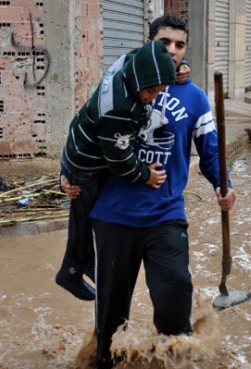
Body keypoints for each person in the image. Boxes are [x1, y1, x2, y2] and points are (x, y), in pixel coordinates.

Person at [87, 16, 237, 368]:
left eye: (179, 45)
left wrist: (222, 184)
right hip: (113, 216)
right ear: (150, 43)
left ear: (186, 50)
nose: (171, 50)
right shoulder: (119, 82)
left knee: (174, 302)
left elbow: (210, 150)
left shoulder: (195, 98)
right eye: (164, 43)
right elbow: (88, 132)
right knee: (109, 319)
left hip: (165, 216)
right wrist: (70, 175)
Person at [55, 40, 176, 301]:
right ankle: (71, 271)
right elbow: (120, 161)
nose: (153, 97)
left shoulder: (129, 62)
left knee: (91, 218)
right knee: (86, 219)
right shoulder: (118, 109)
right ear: (140, 79)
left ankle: (86, 263)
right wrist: (146, 175)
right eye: (151, 92)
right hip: (85, 164)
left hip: (81, 143)